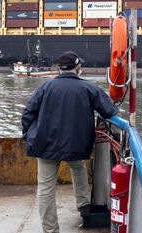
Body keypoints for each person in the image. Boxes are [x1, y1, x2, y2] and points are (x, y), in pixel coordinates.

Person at [21, 50, 118, 233]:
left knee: (45, 189)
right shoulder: (89, 88)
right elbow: (109, 111)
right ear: (78, 68)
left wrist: (29, 135)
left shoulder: (44, 87)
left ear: (59, 68)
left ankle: (50, 230)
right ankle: (83, 205)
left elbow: (27, 113)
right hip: (76, 145)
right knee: (78, 167)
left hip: (45, 145)